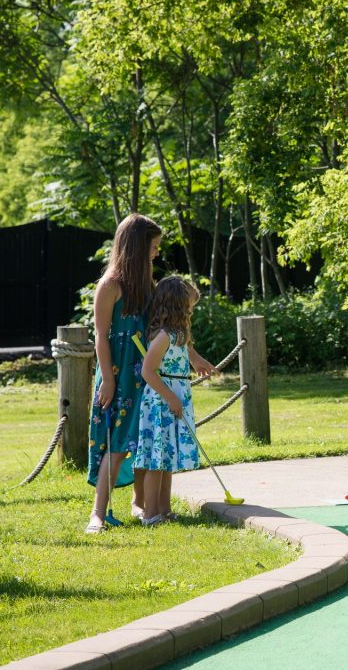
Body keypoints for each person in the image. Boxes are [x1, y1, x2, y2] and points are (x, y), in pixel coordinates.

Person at [85, 214, 162, 534]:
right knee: (116, 445)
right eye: (153, 246)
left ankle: (140, 504)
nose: (157, 252)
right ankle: (97, 514)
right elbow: (101, 336)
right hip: (117, 377)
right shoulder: (110, 285)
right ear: (136, 246)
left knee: (143, 441)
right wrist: (109, 379)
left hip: (143, 376)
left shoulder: (146, 283)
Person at [133, 276, 208, 525]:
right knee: (156, 460)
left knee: (166, 459)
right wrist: (171, 398)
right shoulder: (163, 335)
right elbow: (148, 371)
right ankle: (150, 513)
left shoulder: (178, 334)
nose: (190, 312)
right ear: (177, 306)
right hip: (161, 400)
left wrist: (197, 361)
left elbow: (186, 350)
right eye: (188, 307)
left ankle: (164, 510)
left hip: (176, 395)